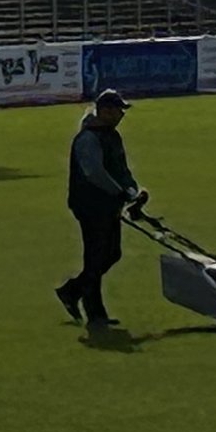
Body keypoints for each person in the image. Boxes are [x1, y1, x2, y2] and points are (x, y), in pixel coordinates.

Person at [57, 88, 146, 327]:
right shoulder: (88, 139)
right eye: (118, 110)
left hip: (108, 204)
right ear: (105, 111)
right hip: (90, 205)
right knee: (96, 257)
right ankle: (95, 313)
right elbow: (93, 172)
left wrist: (131, 190)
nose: (121, 115)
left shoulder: (111, 135)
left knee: (111, 254)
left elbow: (121, 168)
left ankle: (72, 291)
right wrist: (118, 192)